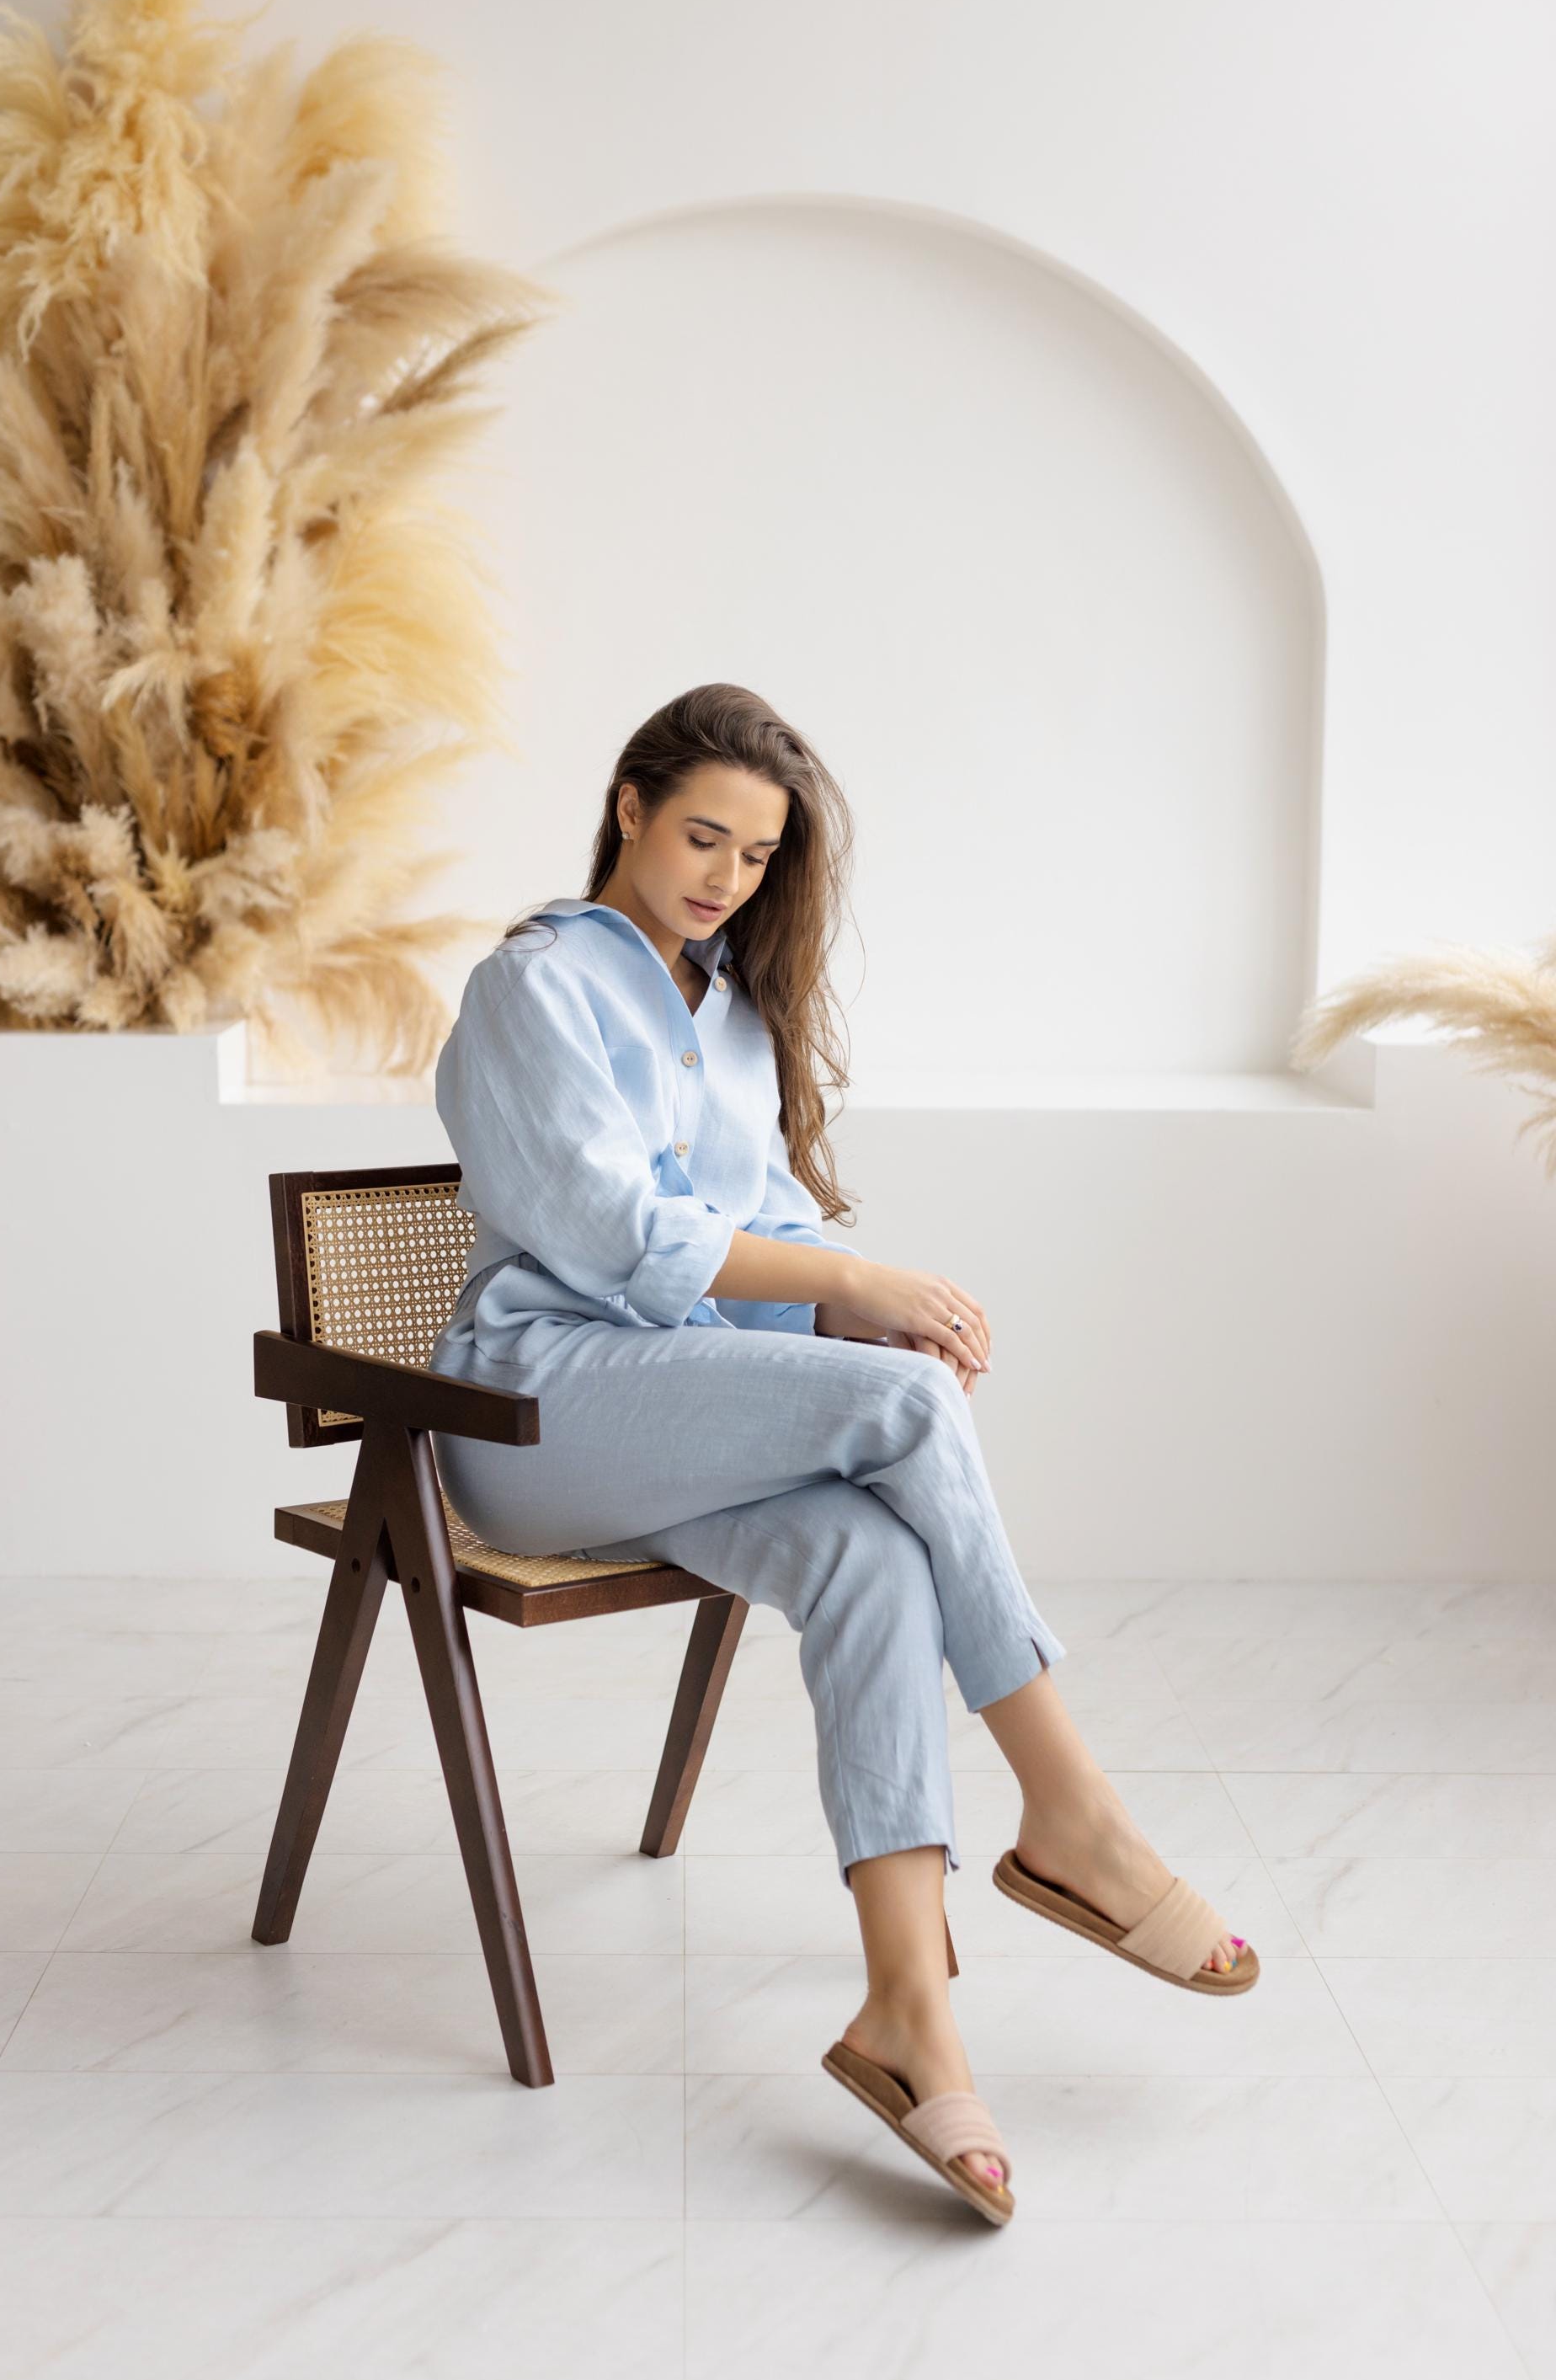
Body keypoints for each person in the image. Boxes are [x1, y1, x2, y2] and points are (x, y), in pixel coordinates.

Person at [427, 680, 1254, 2217]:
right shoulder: (533, 986)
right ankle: (1073, 1816)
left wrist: (867, 1320)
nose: (725, 878)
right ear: (629, 807)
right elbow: (619, 1233)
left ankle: (907, 2022)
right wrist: (859, 1289)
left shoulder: (734, 1013)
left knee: (874, 1555)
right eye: (701, 836)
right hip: (528, 1417)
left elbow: (769, 1246)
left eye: (755, 857)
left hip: (681, 1411)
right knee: (906, 1410)